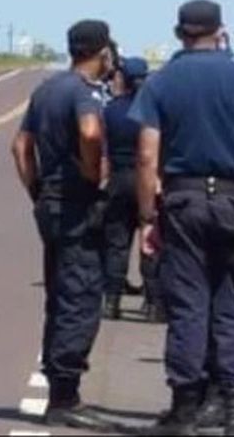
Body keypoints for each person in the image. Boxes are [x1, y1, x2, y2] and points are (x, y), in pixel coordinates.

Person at [130, 0, 234, 436]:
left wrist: (147, 216)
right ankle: (233, 411)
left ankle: (184, 409)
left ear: (180, 34)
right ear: (221, 32)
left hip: (184, 200)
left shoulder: (161, 82)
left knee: (188, 307)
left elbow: (146, 156)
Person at [10, 20, 115, 430]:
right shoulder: (83, 92)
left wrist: (36, 189)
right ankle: (65, 396)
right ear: (102, 52)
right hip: (76, 202)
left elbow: (21, 147)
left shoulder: (47, 90)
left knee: (59, 294)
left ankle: (59, 384)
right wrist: (92, 174)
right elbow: (90, 132)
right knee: (80, 297)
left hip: (51, 200)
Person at [101, 56, 149, 321]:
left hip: (119, 178)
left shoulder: (112, 110)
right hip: (147, 178)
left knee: (117, 243)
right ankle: (153, 301)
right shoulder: (153, 109)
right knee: (150, 240)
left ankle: (112, 300)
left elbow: (104, 149)